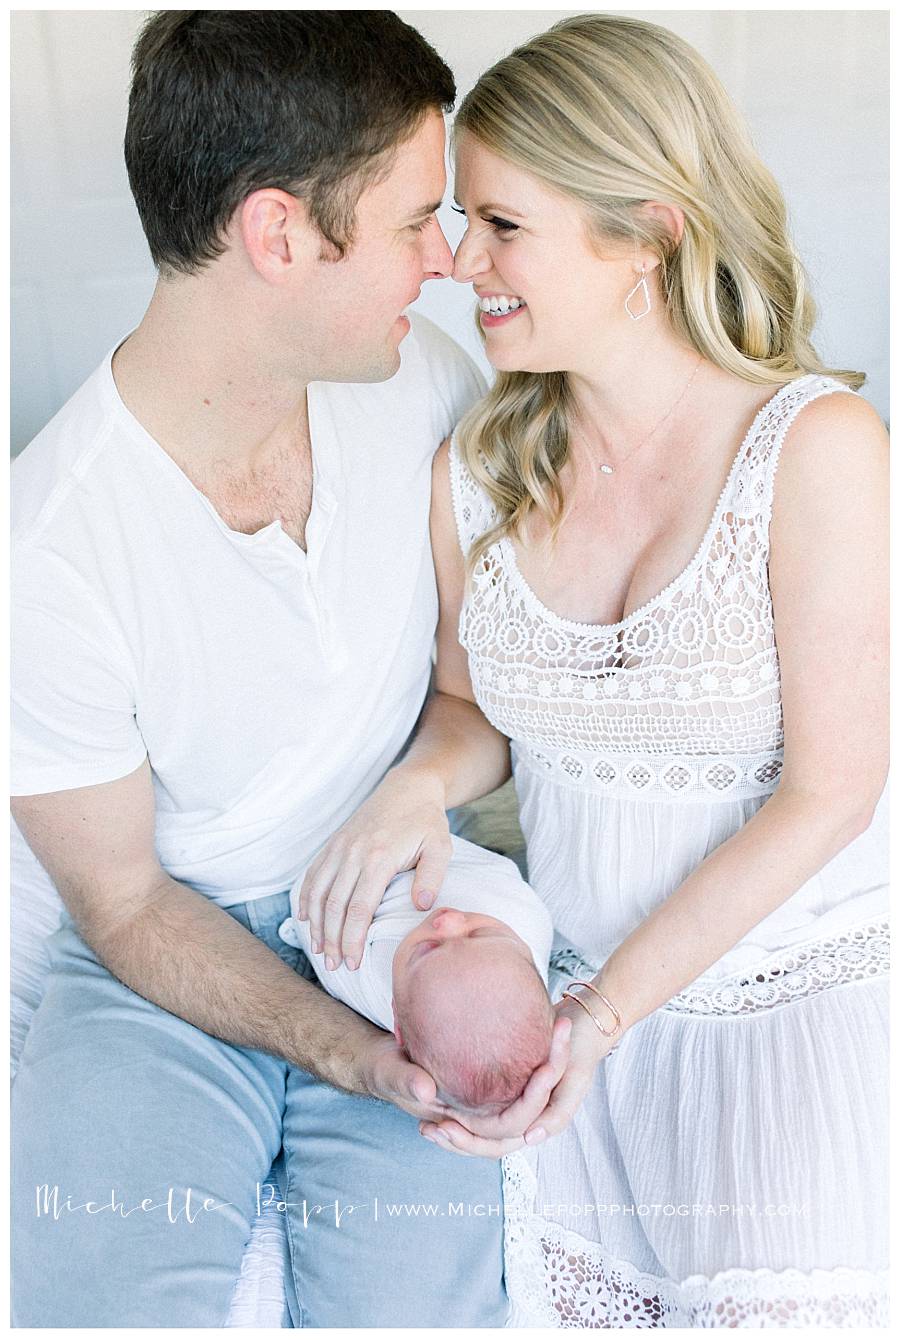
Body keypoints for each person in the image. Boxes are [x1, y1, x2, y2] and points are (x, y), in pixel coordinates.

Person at [300, 13, 889, 1329]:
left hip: (783, 1004)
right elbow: (472, 713)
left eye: (502, 224)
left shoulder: (819, 448)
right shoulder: (480, 468)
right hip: (564, 1018)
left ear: (651, 232)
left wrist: (606, 1016)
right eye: (459, 220)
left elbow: (836, 793)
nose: (458, 261)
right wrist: (417, 791)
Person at [10, 11, 568, 1328]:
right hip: (167, 957)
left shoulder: (418, 386)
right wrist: (345, 1051)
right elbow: (129, 903)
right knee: (102, 1301)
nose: (445, 264)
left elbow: (475, 701)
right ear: (277, 236)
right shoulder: (46, 551)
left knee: (415, 1312)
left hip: (409, 919)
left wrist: (414, 790)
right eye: (414, 221)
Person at [278, 835, 555, 1111]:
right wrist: (303, 930)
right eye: (481, 933)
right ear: (529, 954)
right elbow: (312, 918)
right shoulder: (527, 918)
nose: (449, 920)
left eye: (429, 947)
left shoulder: (374, 966)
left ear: (396, 1021)